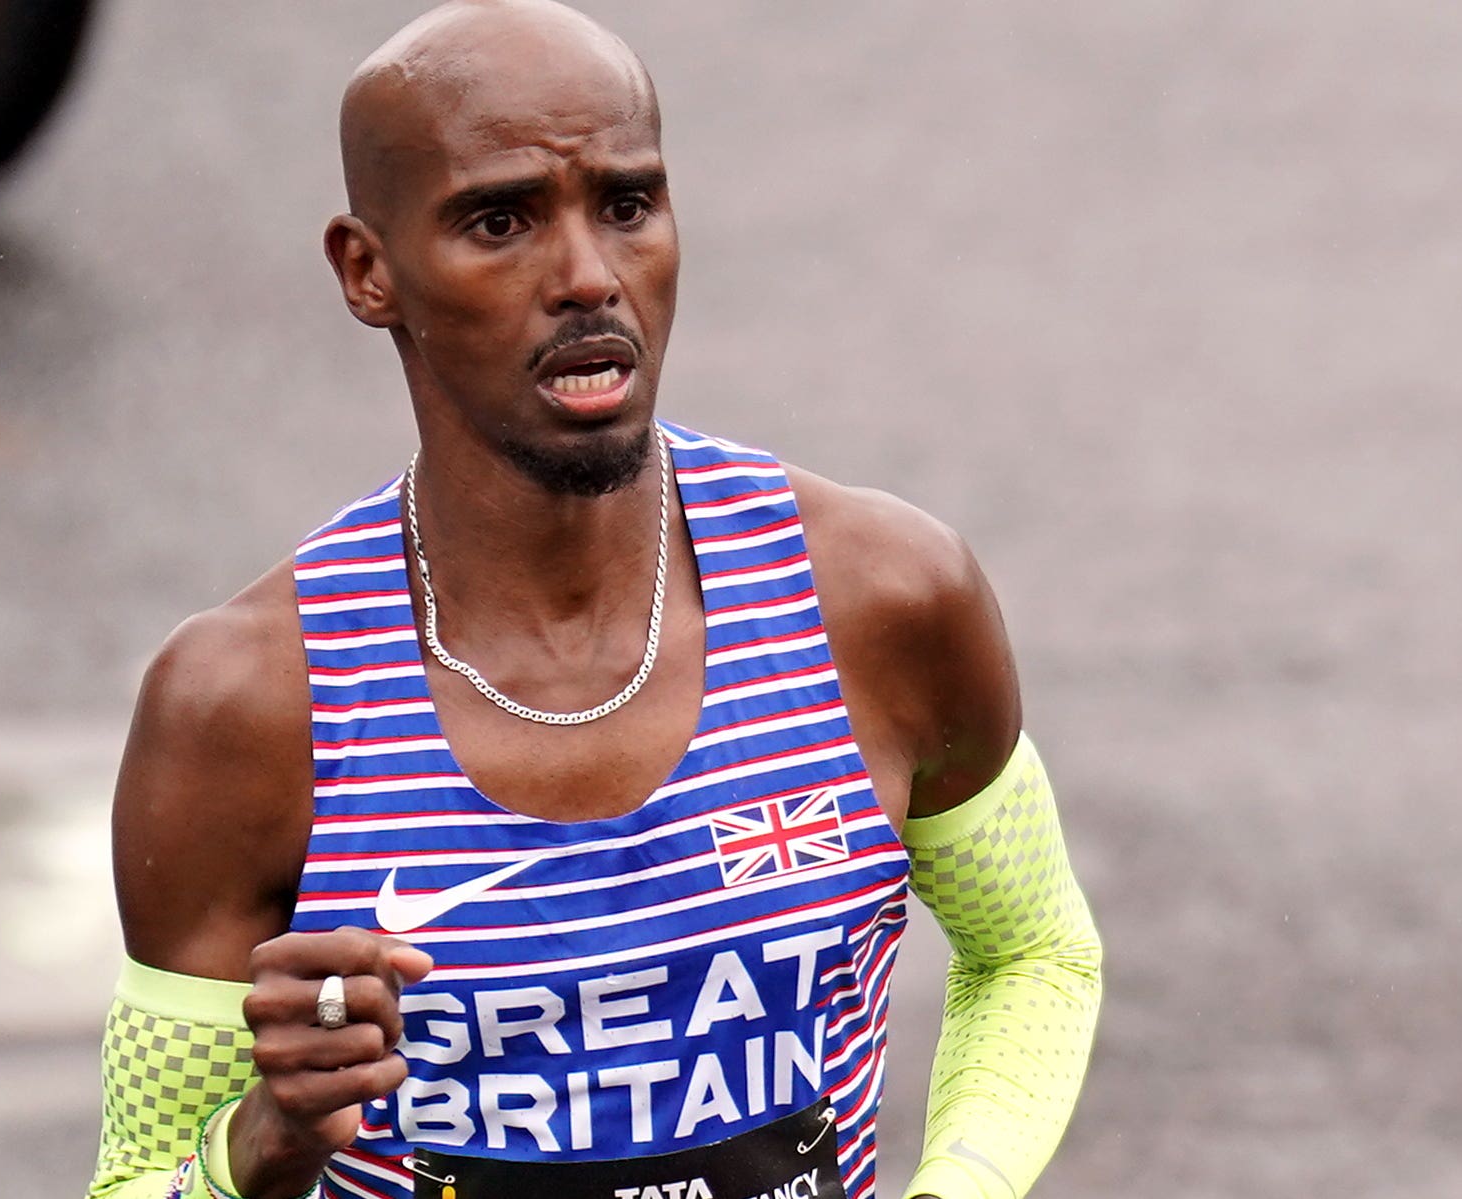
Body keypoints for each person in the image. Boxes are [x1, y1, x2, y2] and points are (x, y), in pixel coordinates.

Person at [89, 3, 1102, 1198]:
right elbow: (137, 1181)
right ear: (369, 272)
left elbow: (1033, 948)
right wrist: (261, 1144)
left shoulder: (878, 599)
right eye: (499, 219)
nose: (585, 276)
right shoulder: (249, 709)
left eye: (626, 204)